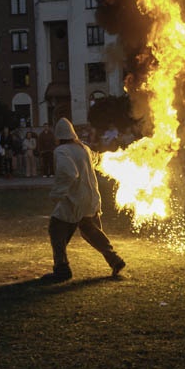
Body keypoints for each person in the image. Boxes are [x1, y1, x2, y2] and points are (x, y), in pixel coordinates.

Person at [45, 118, 126, 281]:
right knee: (90, 231)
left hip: (74, 199)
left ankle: (61, 269)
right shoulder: (84, 148)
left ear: (59, 135)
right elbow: (98, 161)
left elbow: (69, 173)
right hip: (90, 198)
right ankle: (114, 259)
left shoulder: (61, 151)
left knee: (56, 229)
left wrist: (57, 193)